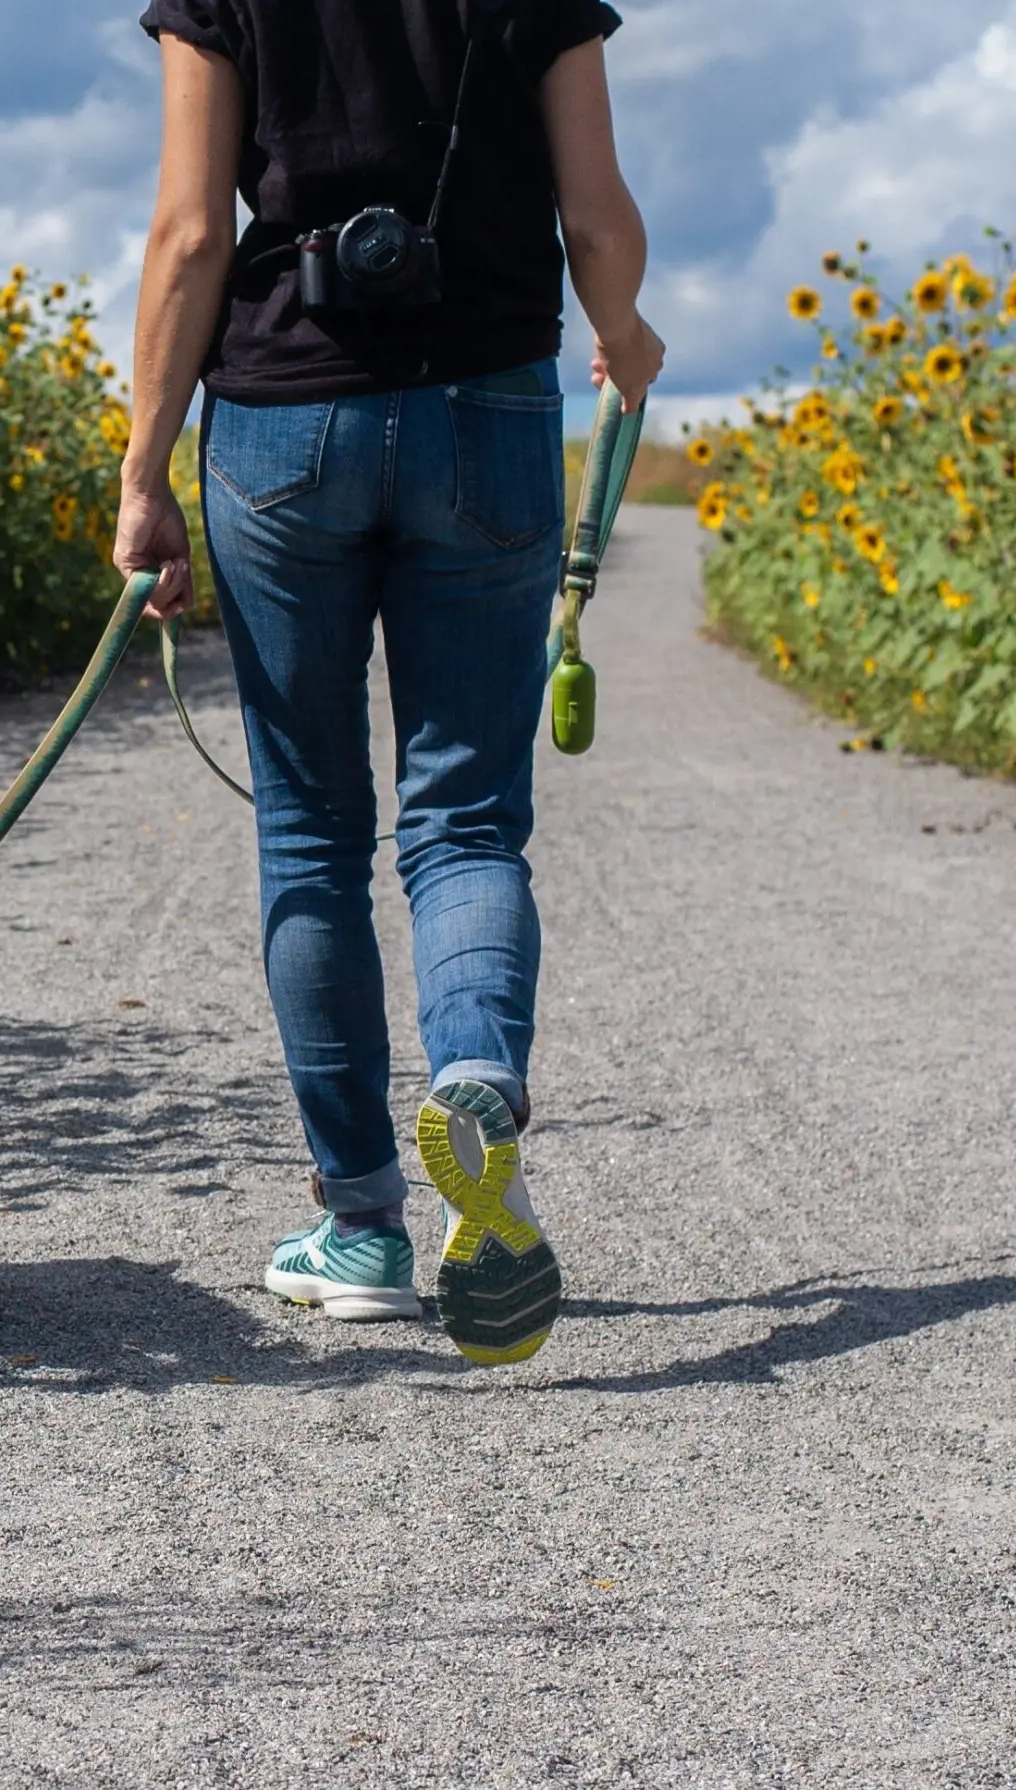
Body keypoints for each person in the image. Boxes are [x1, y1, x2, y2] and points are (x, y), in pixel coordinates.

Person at [115, 0, 663, 1365]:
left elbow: (190, 233)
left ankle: (362, 1227)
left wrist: (143, 470)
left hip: (283, 416)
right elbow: (594, 214)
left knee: (310, 832)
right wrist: (626, 330)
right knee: (467, 820)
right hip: (488, 407)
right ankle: (475, 1075)